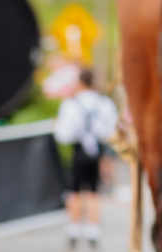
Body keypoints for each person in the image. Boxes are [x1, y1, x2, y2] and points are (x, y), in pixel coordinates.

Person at [54, 68, 119, 250]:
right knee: (94, 193)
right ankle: (93, 232)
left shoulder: (71, 104)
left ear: (81, 82)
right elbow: (111, 131)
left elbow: (64, 134)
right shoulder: (104, 103)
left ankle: (73, 231)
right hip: (96, 152)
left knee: (73, 192)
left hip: (78, 151)